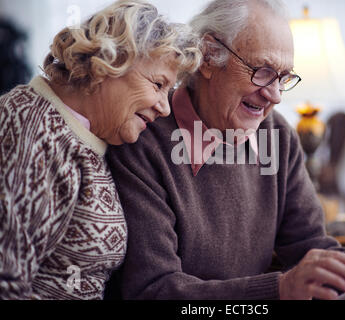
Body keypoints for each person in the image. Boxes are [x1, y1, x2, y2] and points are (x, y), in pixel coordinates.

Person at [106, 0, 345, 300]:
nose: (275, 95)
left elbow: (311, 249)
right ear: (209, 56)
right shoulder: (143, 137)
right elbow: (152, 290)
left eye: (283, 78)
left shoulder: (277, 134)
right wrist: (280, 290)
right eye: (263, 72)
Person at [0, 0, 201, 300]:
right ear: (108, 62)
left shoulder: (85, 133)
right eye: (158, 84)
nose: (163, 107)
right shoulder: (35, 129)